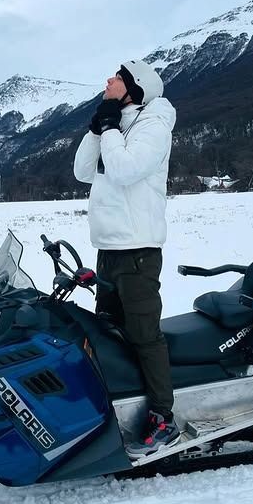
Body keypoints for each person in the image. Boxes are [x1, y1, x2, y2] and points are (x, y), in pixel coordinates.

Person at [73, 59, 178, 458]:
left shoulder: (153, 126)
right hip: (109, 248)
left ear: (134, 86)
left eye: (116, 77)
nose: (108, 80)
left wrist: (111, 127)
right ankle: (120, 401)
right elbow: (84, 171)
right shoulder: (119, 121)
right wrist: (98, 124)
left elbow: (124, 170)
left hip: (138, 249)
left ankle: (163, 416)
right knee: (108, 331)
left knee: (144, 336)